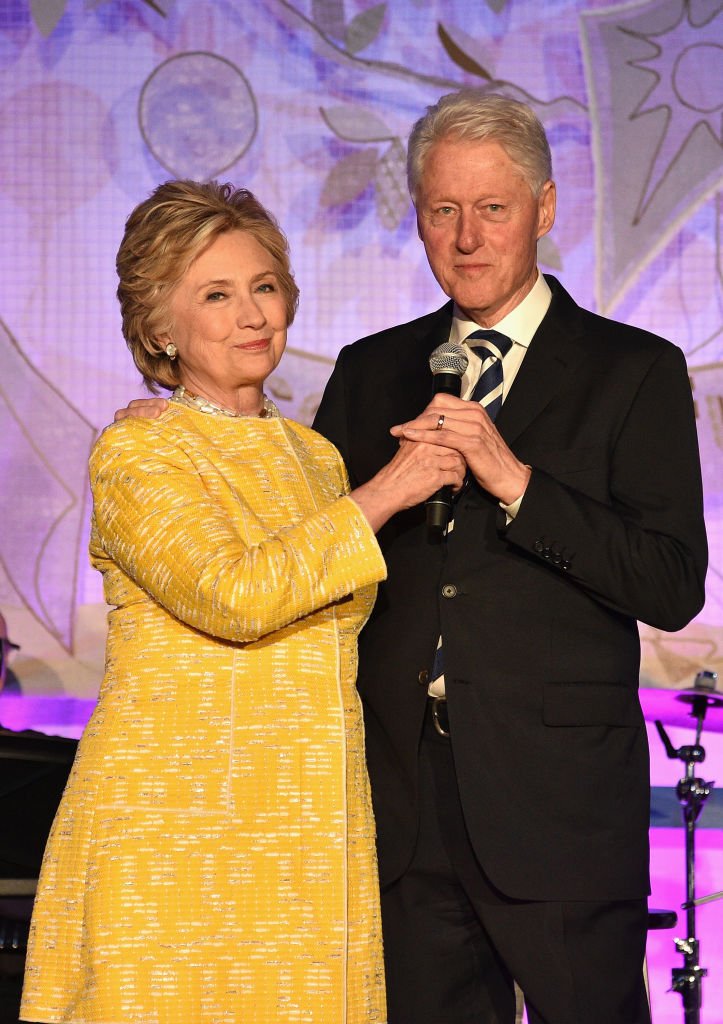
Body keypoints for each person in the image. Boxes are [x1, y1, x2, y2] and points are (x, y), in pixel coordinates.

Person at [114, 92, 708, 1024]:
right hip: (393, 813)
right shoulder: (369, 369)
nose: (467, 238)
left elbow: (670, 585)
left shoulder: (632, 370)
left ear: (545, 210)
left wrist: (514, 480)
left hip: (555, 812)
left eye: (494, 209)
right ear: (420, 218)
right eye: (443, 211)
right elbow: (296, 567)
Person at [20, 180, 464, 1024]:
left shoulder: (314, 459)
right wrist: (387, 493)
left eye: (262, 286)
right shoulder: (138, 449)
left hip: (307, 821)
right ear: (159, 327)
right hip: (178, 825)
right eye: (215, 295)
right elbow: (236, 594)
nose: (251, 314)